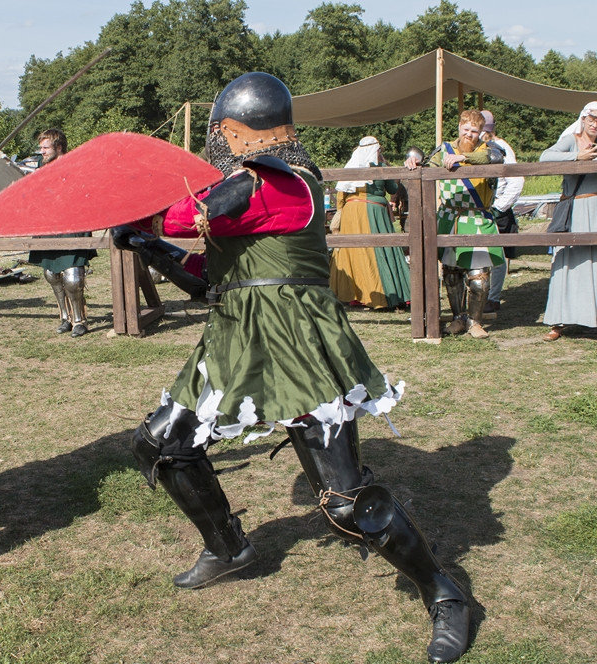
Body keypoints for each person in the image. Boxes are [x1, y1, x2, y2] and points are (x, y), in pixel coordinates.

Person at [122, 73, 471, 664]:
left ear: (232, 132)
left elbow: (189, 217)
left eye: (221, 137)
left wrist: (146, 214)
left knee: (343, 499)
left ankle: (446, 594)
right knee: (163, 442)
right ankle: (229, 548)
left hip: (297, 345)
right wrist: (146, 245)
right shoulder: (248, 192)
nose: (219, 146)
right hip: (234, 339)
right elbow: (212, 280)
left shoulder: (283, 182)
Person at [405, 110, 505, 339]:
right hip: (450, 218)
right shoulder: (445, 149)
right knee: (451, 275)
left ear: (481, 132)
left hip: (477, 218)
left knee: (478, 277)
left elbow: (495, 159)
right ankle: (459, 318)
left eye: (474, 131)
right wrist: (415, 162)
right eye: (466, 129)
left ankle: (475, 321)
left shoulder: (489, 150)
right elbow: (428, 166)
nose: (469, 134)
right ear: (459, 127)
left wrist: (464, 158)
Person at [539, 101, 597, 342]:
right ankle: (559, 321)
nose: (595, 124)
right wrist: (578, 156)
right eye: (592, 119)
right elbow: (545, 157)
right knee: (568, 262)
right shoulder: (571, 138)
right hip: (574, 208)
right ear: (583, 119)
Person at [26, 128, 95, 338]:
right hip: (48, 226)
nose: (42, 152)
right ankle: (64, 318)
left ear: (58, 147)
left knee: (73, 278)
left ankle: (79, 321)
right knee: (51, 274)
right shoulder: (39, 166)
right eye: (41, 148)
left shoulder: (76, 164)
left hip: (73, 226)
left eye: (45, 148)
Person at [330, 136, 410, 310]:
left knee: (354, 252)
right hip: (373, 211)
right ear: (377, 150)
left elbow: (341, 195)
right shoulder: (380, 167)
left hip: (351, 212)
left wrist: (341, 215)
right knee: (377, 250)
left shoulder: (349, 166)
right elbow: (393, 189)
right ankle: (384, 295)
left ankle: (354, 296)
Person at [479, 110, 525, 319]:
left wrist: (499, 207)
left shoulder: (502, 148)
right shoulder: (473, 147)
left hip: (496, 208)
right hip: (479, 208)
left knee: (496, 256)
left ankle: (492, 298)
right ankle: (478, 295)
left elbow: (515, 181)